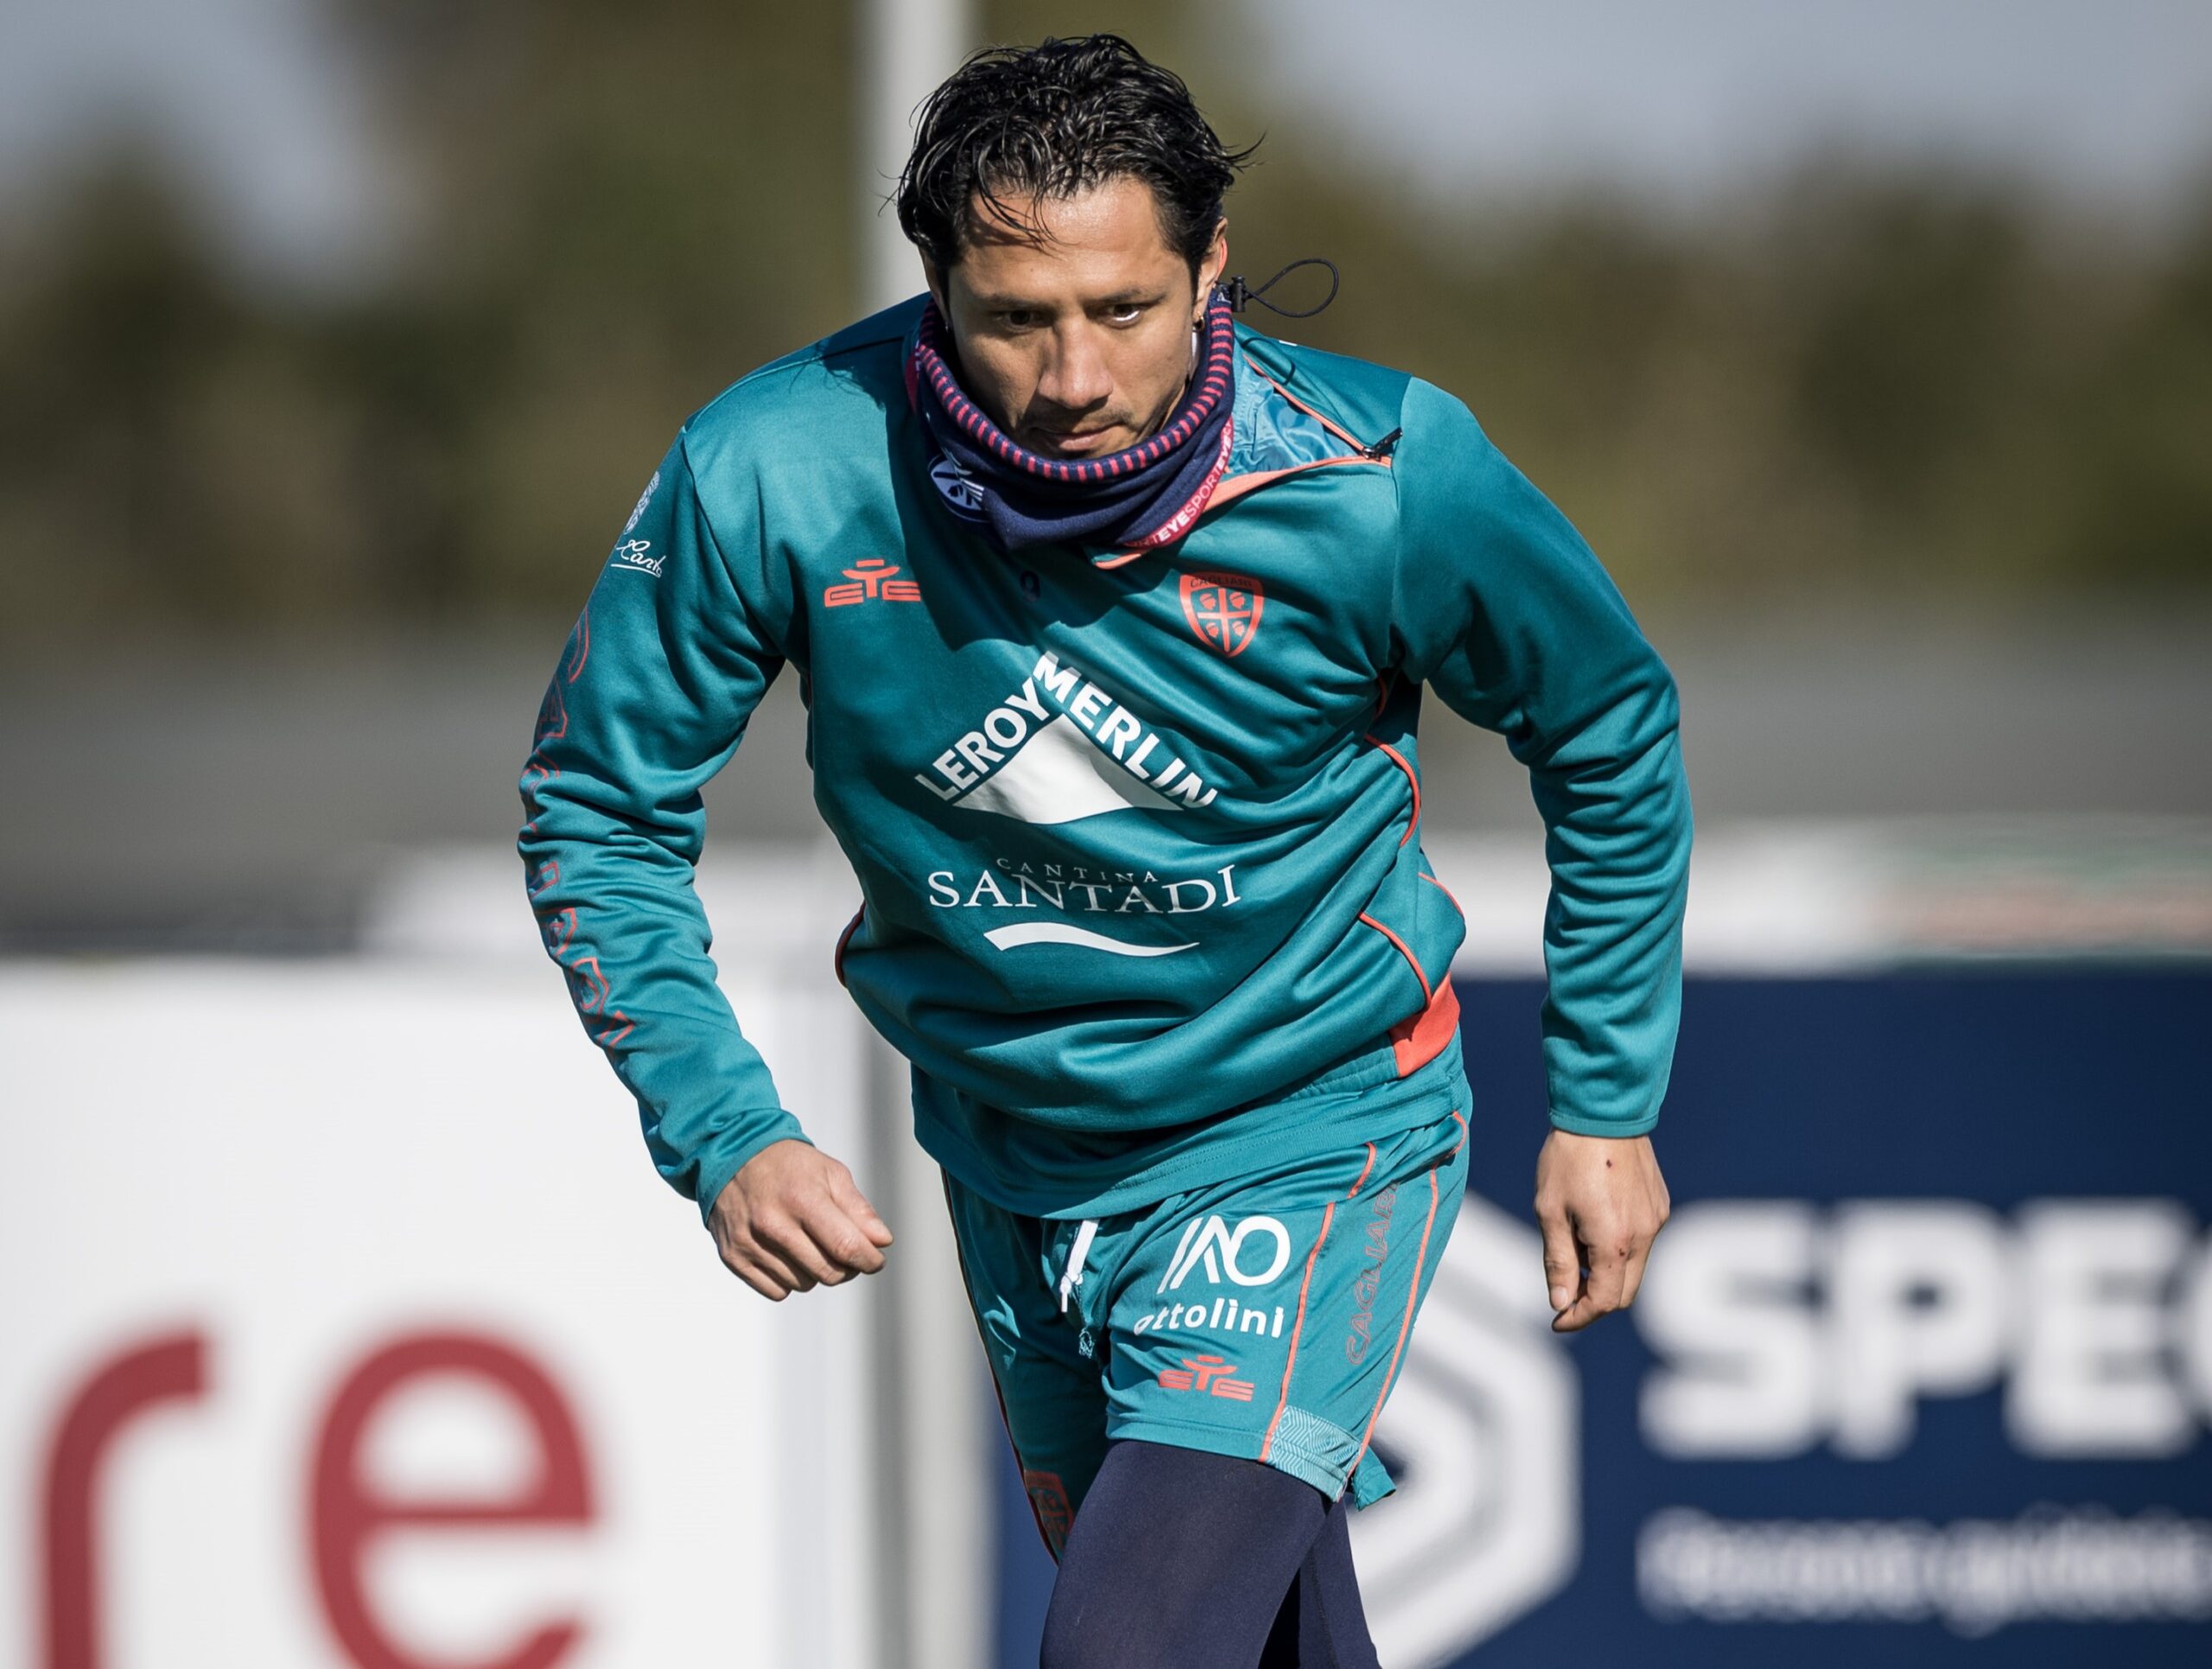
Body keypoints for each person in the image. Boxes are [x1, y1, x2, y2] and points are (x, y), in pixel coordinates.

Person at [518, 34, 1689, 1668]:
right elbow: (596, 808)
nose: (1075, 377)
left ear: (1211, 271)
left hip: (1310, 1123)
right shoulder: (775, 465)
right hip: (1013, 1158)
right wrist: (726, 1132)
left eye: (1125, 310)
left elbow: (1610, 725)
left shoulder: (1384, 472)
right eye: (1017, 319)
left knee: (1125, 1651)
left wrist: (1607, 1100)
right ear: (936, 288)